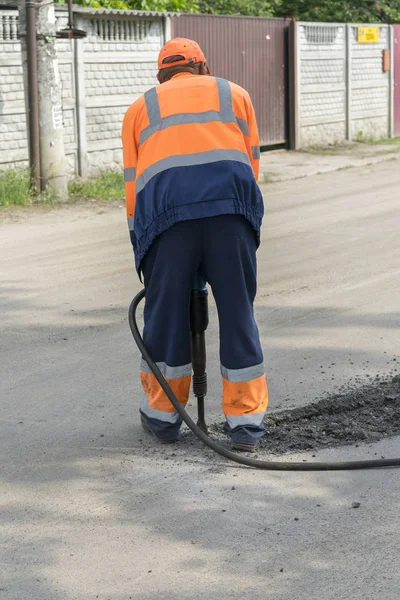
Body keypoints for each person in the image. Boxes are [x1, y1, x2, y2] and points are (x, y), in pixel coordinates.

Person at [122, 38, 268, 451]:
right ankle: (245, 425)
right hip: (230, 216)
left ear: (161, 76)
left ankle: (164, 418)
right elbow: (251, 165)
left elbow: (134, 188)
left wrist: (143, 245)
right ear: (203, 67)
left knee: (165, 318)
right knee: (239, 313)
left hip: (168, 225)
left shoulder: (140, 108)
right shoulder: (235, 95)